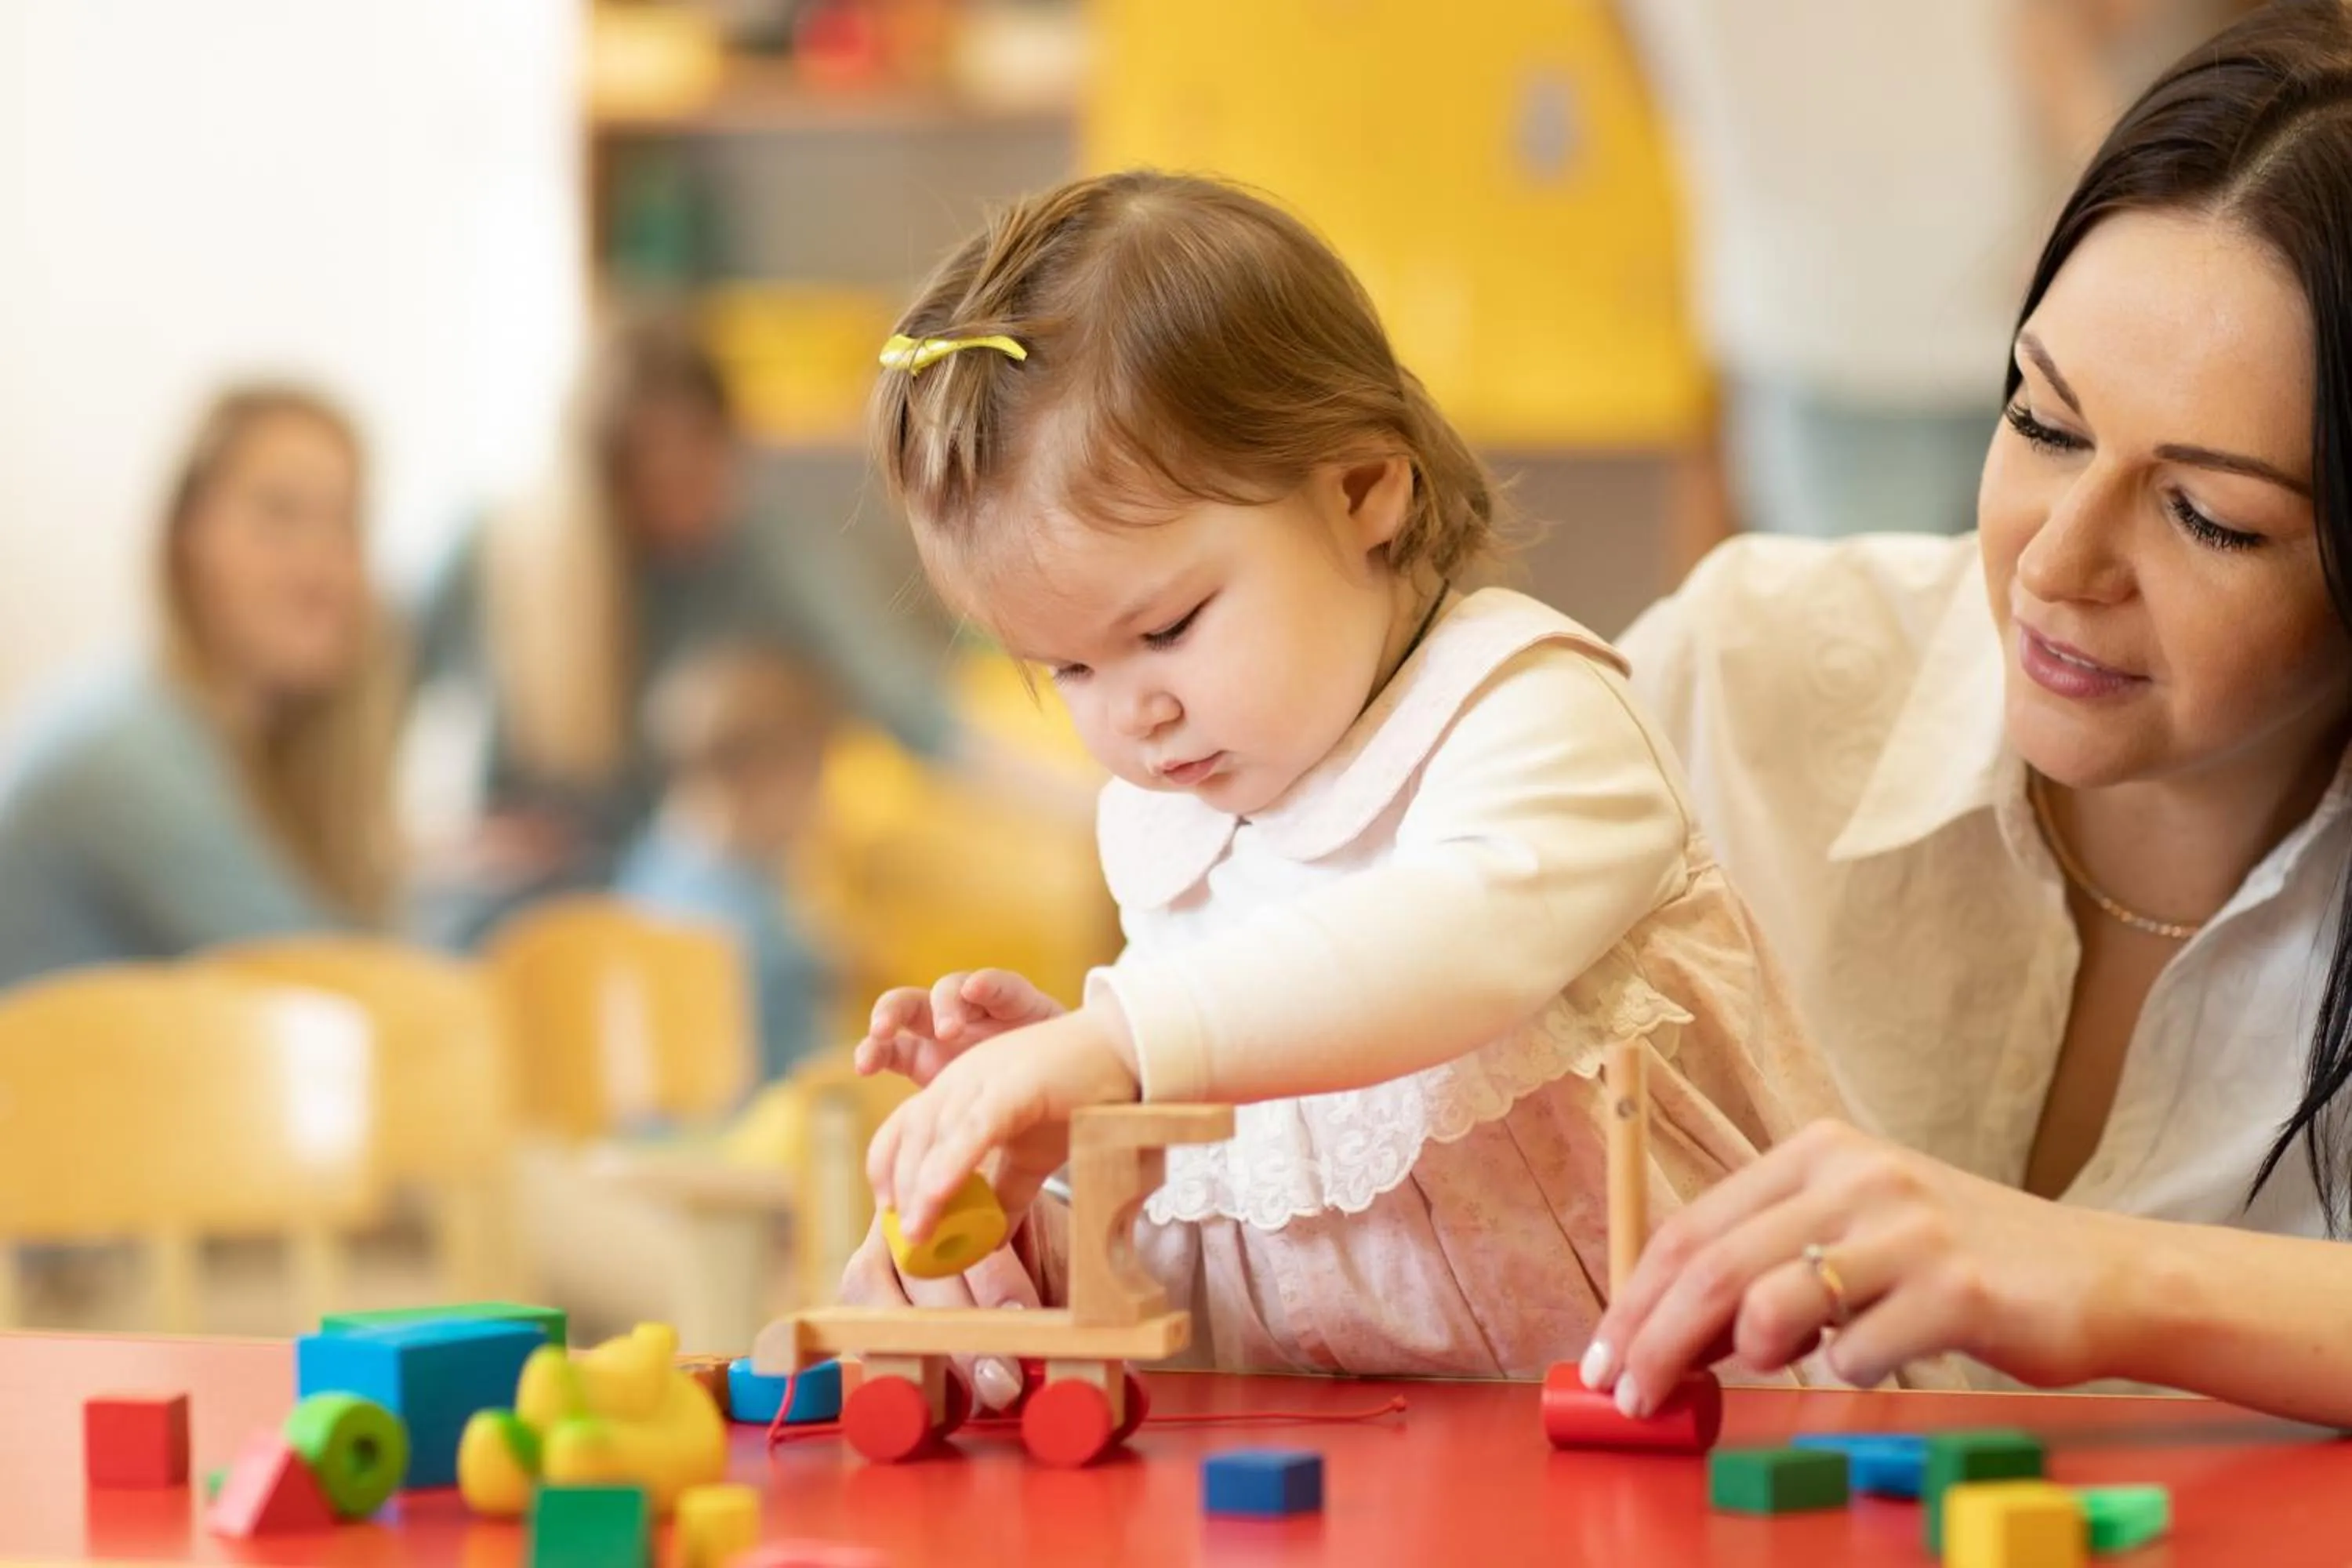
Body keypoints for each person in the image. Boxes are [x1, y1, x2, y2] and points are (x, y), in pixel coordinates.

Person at [837, 169, 1843, 1399]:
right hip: (1364, 1471)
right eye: (1067, 667)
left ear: (1364, 487)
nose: (1132, 713)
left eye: (1169, 628)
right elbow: (1253, 1233)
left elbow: (1443, 953)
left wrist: (1129, 1043)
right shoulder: (1175, 826)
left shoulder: (1535, 716)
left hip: (1718, 1421)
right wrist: (1055, 1185)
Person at [1577, 2, 2352, 1426]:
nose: (2057, 566)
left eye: (2209, 517)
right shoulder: (1741, 687)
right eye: (2044, 424)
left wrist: (2113, 1281)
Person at [410, 316, 960, 946]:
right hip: (513, 914)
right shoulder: (497, 554)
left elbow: (911, 704)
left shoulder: (760, 557)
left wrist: (1087, 799)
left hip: (673, 901)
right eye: (651, 479)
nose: (679, 505)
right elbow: (357, 707)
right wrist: (428, 845)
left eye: (698, 469)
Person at [1617, 0, 2250, 544]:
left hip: (1800, 316)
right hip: (2021, 310)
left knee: (1853, 650)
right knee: (2039, 639)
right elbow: (2090, 26)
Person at [0, 385, 401, 989]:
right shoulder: (127, 754)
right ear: (185, 540)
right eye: (279, 516)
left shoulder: (227, 748)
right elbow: (333, 985)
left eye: (346, 524)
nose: (324, 564)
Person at [616, 642, 840, 1085]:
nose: (822, 805)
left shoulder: (652, 863)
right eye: (814, 780)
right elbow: (801, 1073)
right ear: (769, 777)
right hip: (753, 1134)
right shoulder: (751, 928)